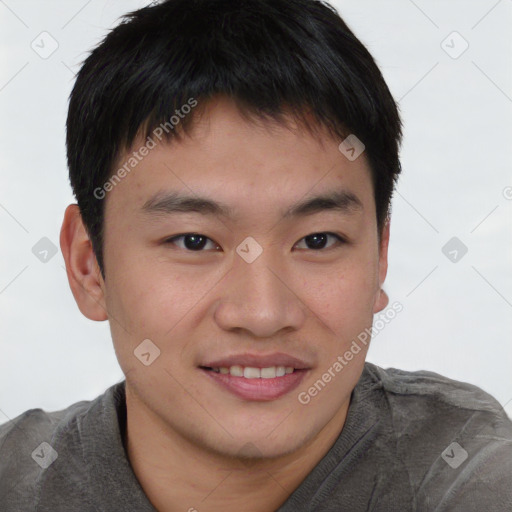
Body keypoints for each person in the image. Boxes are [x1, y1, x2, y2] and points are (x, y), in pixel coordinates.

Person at [1, 0, 511, 510]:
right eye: (194, 241)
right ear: (88, 267)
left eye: (317, 240)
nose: (263, 314)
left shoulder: (469, 474)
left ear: (380, 255)